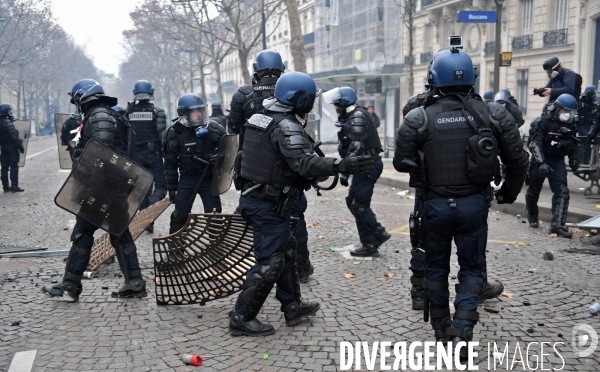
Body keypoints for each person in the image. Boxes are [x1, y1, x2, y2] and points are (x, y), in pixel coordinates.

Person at [393, 46, 528, 355]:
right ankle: (463, 331)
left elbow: (401, 162)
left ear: (433, 77)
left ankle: (441, 330)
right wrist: (509, 191)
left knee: (436, 267)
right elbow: (519, 161)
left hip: (435, 206)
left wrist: (425, 169)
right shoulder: (493, 112)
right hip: (474, 206)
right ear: (472, 77)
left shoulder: (418, 117)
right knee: (471, 268)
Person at [229, 71, 375, 336]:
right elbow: (304, 164)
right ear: (301, 99)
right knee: (271, 262)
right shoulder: (285, 125)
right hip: (266, 203)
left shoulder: (260, 117)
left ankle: (292, 306)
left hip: (261, 198)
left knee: (285, 254)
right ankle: (241, 316)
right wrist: (344, 164)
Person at [42, 79, 147, 302]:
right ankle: (134, 282)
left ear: (84, 97)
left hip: (105, 187)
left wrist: (85, 170)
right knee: (117, 233)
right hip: (110, 186)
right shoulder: (104, 114)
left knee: (85, 233)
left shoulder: (99, 115)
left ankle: (71, 285)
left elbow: (103, 152)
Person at [401, 92, 504, 311]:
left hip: (430, 187)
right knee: (470, 243)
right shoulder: (467, 105)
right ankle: (476, 286)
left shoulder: (421, 107)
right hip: (456, 188)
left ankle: (420, 292)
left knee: (422, 239)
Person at [229, 49, 314, 282]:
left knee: (258, 220)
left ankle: (259, 267)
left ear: (256, 71)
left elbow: (233, 131)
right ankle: (302, 267)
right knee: (296, 215)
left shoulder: (243, 95)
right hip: (289, 166)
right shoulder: (293, 92)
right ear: (281, 71)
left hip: (255, 170)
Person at [323, 87, 390, 257]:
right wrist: (345, 172)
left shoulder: (358, 116)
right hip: (363, 165)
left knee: (359, 205)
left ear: (345, 104)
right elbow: (348, 146)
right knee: (352, 202)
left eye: (338, 105)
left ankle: (375, 237)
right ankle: (372, 239)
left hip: (369, 165)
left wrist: (343, 168)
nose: (336, 109)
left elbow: (356, 146)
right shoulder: (352, 116)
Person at [163, 93, 225, 234]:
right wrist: (172, 189)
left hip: (208, 180)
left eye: (200, 111)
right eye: (194, 112)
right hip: (187, 179)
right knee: (179, 216)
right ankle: (176, 250)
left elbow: (229, 156)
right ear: (184, 113)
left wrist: (219, 160)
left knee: (215, 216)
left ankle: (216, 250)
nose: (199, 115)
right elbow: (170, 165)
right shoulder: (173, 134)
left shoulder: (215, 130)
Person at [526, 94, 579, 238]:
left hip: (557, 160)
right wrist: (541, 162)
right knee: (533, 191)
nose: (567, 114)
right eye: (564, 110)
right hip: (540, 159)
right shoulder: (542, 121)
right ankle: (532, 215)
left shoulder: (570, 123)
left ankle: (557, 225)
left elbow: (573, 142)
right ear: (557, 108)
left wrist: (574, 159)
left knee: (562, 191)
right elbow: (534, 144)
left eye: (570, 111)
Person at [126, 80, 167, 233]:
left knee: (141, 189)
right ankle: (150, 213)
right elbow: (162, 136)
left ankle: (144, 217)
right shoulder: (157, 112)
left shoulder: (128, 113)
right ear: (151, 93)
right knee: (161, 187)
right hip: (153, 155)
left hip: (135, 156)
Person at [0, 104, 25, 193]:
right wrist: (20, 147)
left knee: (4, 168)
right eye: (9, 110)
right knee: (14, 167)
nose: (11, 112)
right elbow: (13, 137)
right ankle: (14, 186)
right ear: (4, 111)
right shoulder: (7, 122)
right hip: (11, 147)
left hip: (3, 148)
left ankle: (5, 187)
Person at [577, 86, 598, 165]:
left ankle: (588, 161)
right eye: (593, 95)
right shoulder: (581, 104)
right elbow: (579, 120)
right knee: (584, 143)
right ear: (588, 95)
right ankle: (581, 161)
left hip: (590, 126)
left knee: (590, 144)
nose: (594, 96)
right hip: (582, 127)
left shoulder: (594, 105)